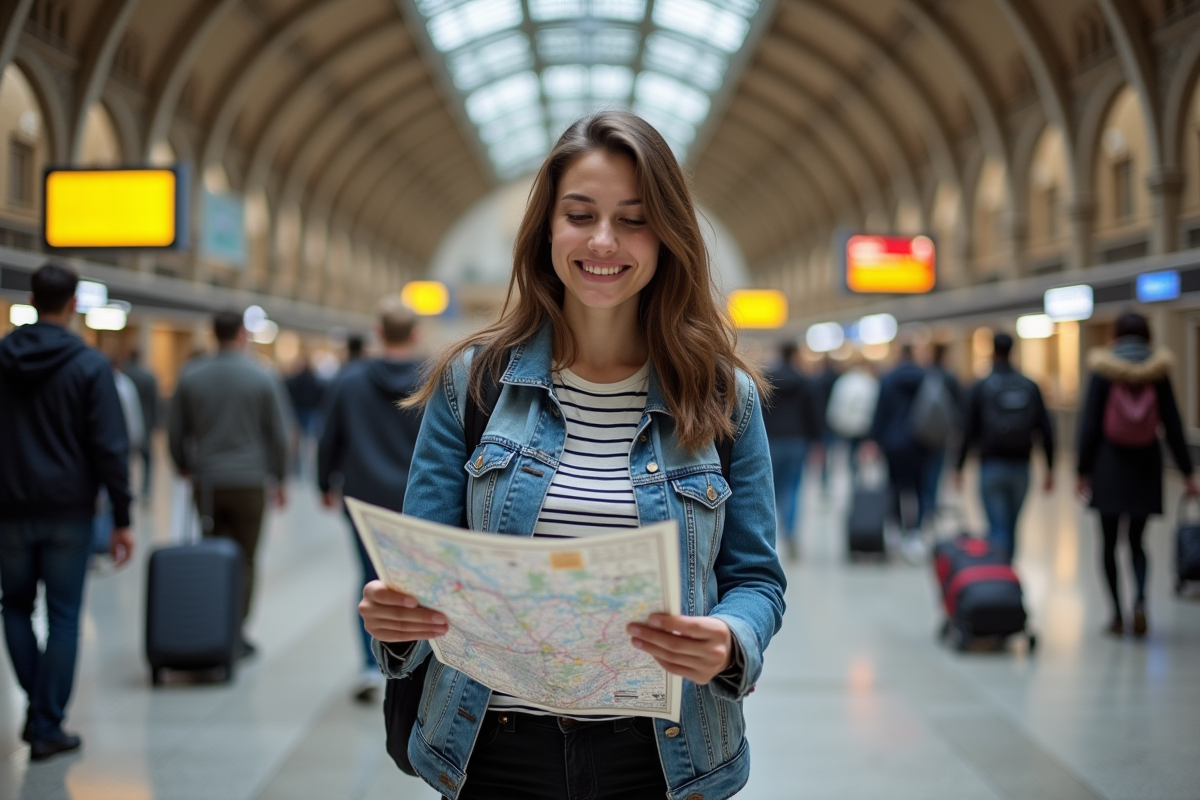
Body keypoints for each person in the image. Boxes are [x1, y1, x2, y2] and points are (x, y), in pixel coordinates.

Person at [358, 111, 786, 800]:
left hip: (662, 758)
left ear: (669, 234)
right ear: (547, 231)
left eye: (634, 218)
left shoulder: (722, 396)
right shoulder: (473, 384)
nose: (604, 241)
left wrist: (731, 639)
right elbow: (422, 574)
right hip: (492, 751)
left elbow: (758, 580)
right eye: (580, 215)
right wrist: (395, 617)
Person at [0, 261, 135, 761]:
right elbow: (109, 449)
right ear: (74, 304)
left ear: (31, 300)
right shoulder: (89, 365)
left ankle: (39, 712)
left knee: (13, 606)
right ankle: (46, 722)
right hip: (69, 512)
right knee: (63, 615)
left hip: (8, 508)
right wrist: (122, 518)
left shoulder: (2, 357)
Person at [318, 301, 424, 702]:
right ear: (415, 335)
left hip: (363, 497)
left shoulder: (350, 380)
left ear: (379, 334)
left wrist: (322, 483)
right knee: (419, 580)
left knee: (367, 579)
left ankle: (369, 665)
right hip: (418, 499)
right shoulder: (433, 377)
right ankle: (416, 661)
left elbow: (329, 437)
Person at [169, 310, 291, 657]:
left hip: (207, 483)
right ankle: (236, 632)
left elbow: (176, 431)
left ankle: (212, 625)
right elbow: (279, 434)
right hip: (250, 482)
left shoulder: (192, 375)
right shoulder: (261, 376)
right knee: (246, 559)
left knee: (213, 553)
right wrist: (280, 477)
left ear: (213, 334)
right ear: (242, 334)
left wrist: (184, 465)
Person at [1076, 312, 1197, 637]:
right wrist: (1187, 471)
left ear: (1116, 334)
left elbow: (1089, 424)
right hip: (1146, 463)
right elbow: (1172, 423)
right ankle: (1141, 600)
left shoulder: (1103, 370)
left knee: (1107, 543)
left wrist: (1082, 470)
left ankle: (1116, 614)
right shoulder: (1158, 371)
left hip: (1108, 464)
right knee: (1138, 542)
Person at [955, 333, 1054, 561]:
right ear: (1013, 350)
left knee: (998, 528)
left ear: (992, 351)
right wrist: (1050, 468)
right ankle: (1008, 572)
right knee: (1011, 525)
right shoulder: (1029, 385)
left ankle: (1001, 577)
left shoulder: (980, 386)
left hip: (991, 465)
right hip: (1022, 466)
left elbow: (968, 431)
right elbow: (1046, 429)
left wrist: (958, 468)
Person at [868, 343, 930, 559]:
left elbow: (880, 412)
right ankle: (915, 534)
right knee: (919, 488)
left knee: (894, 486)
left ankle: (894, 530)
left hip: (892, 442)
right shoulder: (925, 378)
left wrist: (873, 439)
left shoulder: (888, 379)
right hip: (921, 441)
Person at [763, 341, 822, 560]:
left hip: (772, 439)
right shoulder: (805, 381)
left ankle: (770, 533)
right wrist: (817, 440)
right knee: (793, 487)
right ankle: (791, 532)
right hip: (798, 440)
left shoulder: (768, 378)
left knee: (770, 489)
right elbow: (813, 414)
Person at [918, 342, 963, 519]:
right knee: (935, 473)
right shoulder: (950, 377)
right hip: (943, 434)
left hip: (921, 433)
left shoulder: (924, 375)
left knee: (923, 472)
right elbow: (959, 407)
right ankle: (931, 506)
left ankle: (925, 506)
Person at [122, 349, 159, 503]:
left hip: (123, 425)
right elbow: (154, 403)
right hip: (146, 423)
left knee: (126, 460)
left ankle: (126, 488)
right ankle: (145, 491)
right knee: (147, 460)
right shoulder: (148, 377)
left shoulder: (123, 376)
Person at [285, 354, 326, 476]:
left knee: (299, 442)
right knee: (309, 442)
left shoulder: (293, 380)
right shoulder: (315, 380)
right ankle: (308, 469)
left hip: (301, 412)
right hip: (309, 412)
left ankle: (298, 469)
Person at [811, 355, 840, 493]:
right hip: (835, 420)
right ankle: (828, 477)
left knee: (823, 451)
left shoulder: (817, 380)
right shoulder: (837, 379)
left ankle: (824, 478)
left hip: (821, 420)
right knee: (831, 449)